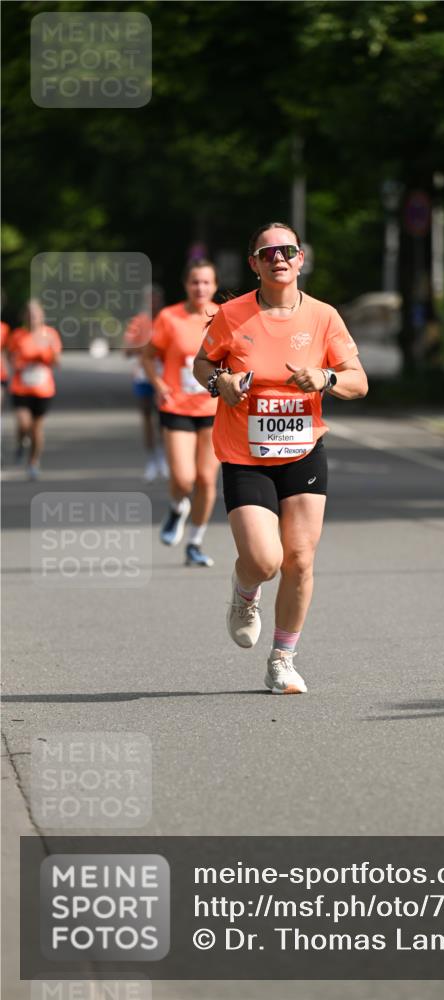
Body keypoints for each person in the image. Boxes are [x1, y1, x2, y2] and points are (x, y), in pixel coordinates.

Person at [193, 222, 368, 694]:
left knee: (300, 559)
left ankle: (282, 659)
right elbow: (202, 362)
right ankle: (245, 591)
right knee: (265, 560)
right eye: (268, 253)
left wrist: (326, 379)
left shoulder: (324, 317)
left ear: (300, 259)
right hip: (244, 453)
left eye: (287, 250)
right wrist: (220, 384)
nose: (279, 258)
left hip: (303, 449)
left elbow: (358, 380)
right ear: (254, 264)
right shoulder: (231, 315)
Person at [142, 259, 219, 567]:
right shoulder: (169, 317)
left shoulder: (223, 317)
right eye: (194, 282)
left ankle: (195, 542)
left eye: (206, 282)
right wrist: (158, 383)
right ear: (186, 285)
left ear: (214, 286)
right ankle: (177, 506)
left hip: (213, 408)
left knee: (206, 479)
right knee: (184, 478)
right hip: (176, 405)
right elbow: (148, 357)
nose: (200, 288)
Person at [8, 300, 62, 479]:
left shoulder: (50, 334)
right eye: (29, 314)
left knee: (37, 429)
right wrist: (21, 363)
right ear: (24, 316)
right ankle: (20, 442)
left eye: (36, 314)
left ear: (42, 316)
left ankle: (33, 462)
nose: (33, 317)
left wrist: (47, 355)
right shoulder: (17, 335)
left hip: (43, 389)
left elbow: (57, 363)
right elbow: (11, 359)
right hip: (21, 387)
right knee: (24, 423)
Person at [123, 284, 168, 482]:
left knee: (164, 420)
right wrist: (145, 346)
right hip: (143, 375)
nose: (153, 302)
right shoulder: (138, 322)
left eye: (155, 298)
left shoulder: (168, 318)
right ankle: (151, 459)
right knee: (148, 419)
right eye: (149, 299)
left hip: (165, 376)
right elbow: (127, 350)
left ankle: (165, 458)